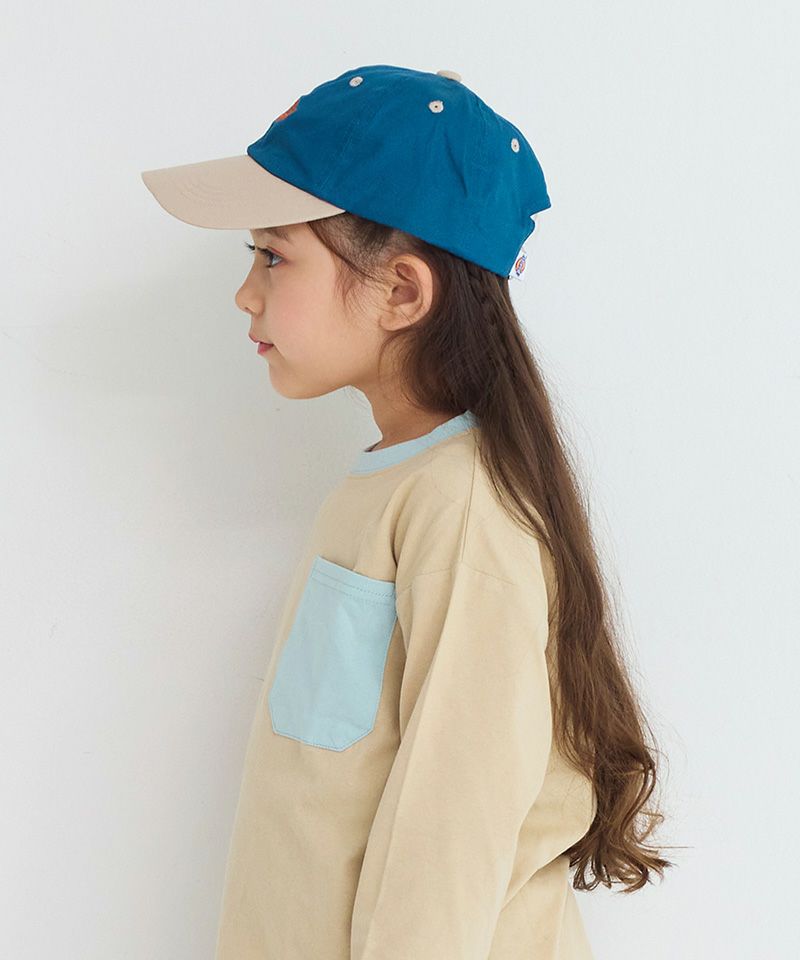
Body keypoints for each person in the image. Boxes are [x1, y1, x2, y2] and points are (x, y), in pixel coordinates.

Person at [141, 63, 673, 960]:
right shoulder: (399, 484)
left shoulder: (462, 509)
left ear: (401, 292)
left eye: (273, 254)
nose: (245, 292)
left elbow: (449, 842)